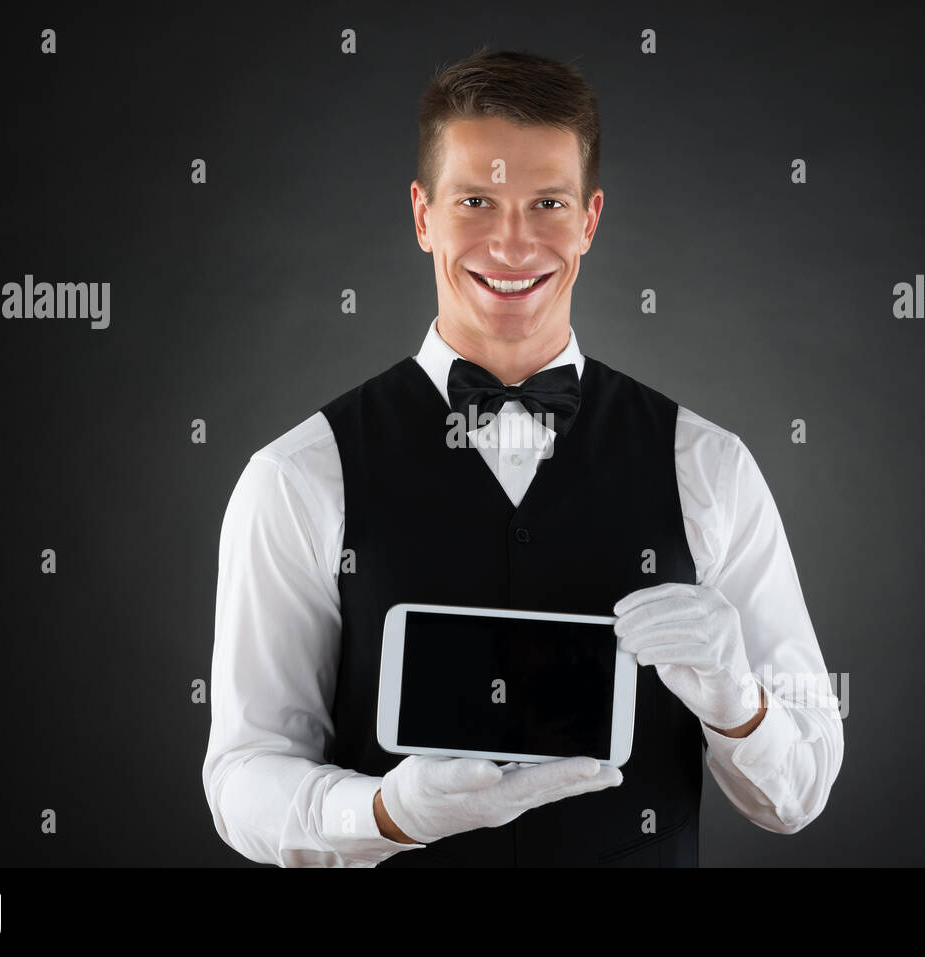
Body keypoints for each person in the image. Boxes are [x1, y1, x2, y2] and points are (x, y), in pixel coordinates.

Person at [202, 47, 844, 867]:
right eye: (476, 200)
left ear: (590, 219)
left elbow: (801, 791)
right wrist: (389, 810)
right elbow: (243, 775)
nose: (512, 243)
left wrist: (740, 706)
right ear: (422, 213)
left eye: (547, 202)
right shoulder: (297, 475)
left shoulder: (709, 464)